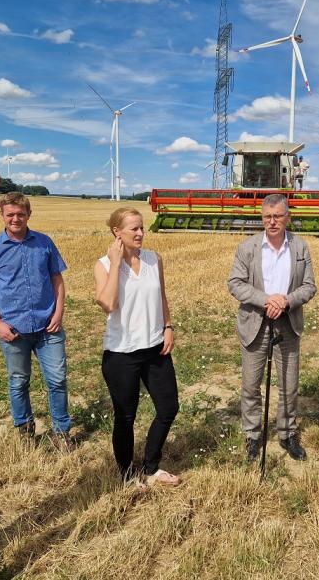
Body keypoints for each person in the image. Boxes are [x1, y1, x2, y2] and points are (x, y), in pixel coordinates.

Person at [0, 192, 73, 450]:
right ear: (2, 215)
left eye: (21, 214)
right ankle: (25, 431)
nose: (16, 219)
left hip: (47, 326)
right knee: (18, 381)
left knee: (57, 380)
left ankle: (62, 433)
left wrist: (58, 313)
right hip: (13, 329)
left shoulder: (44, 243)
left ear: (29, 214)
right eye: (10, 214)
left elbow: (57, 280)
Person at [93, 207, 180, 486]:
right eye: (134, 229)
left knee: (168, 408)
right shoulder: (104, 265)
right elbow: (108, 303)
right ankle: (128, 474)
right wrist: (117, 263)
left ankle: (151, 467)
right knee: (125, 417)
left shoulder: (155, 260)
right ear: (117, 232)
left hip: (155, 348)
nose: (141, 233)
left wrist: (168, 327)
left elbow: (162, 296)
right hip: (121, 353)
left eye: (142, 227)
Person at [228, 193, 317, 462]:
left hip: (288, 323)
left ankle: (287, 434)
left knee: (289, 384)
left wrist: (286, 301)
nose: (272, 221)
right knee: (251, 384)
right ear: (262, 218)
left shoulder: (300, 247)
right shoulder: (248, 248)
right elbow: (235, 283)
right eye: (267, 216)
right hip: (255, 322)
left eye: (278, 216)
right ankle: (253, 435)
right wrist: (267, 300)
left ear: (287, 217)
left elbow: (310, 286)